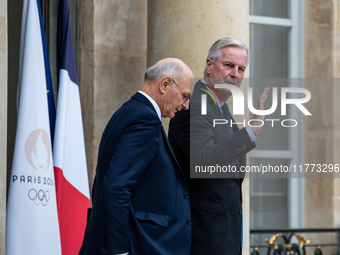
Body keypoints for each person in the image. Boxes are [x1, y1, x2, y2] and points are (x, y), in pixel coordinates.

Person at [79, 58, 194, 255]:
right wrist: (119, 250)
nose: (186, 105)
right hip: (134, 246)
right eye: (184, 95)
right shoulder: (145, 119)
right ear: (165, 84)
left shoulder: (128, 112)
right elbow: (116, 187)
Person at [168, 37, 269, 255]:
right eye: (228, 65)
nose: (235, 74)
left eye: (241, 69)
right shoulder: (195, 103)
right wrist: (250, 132)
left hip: (222, 234)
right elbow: (203, 161)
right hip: (203, 236)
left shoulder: (219, 107)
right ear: (209, 65)